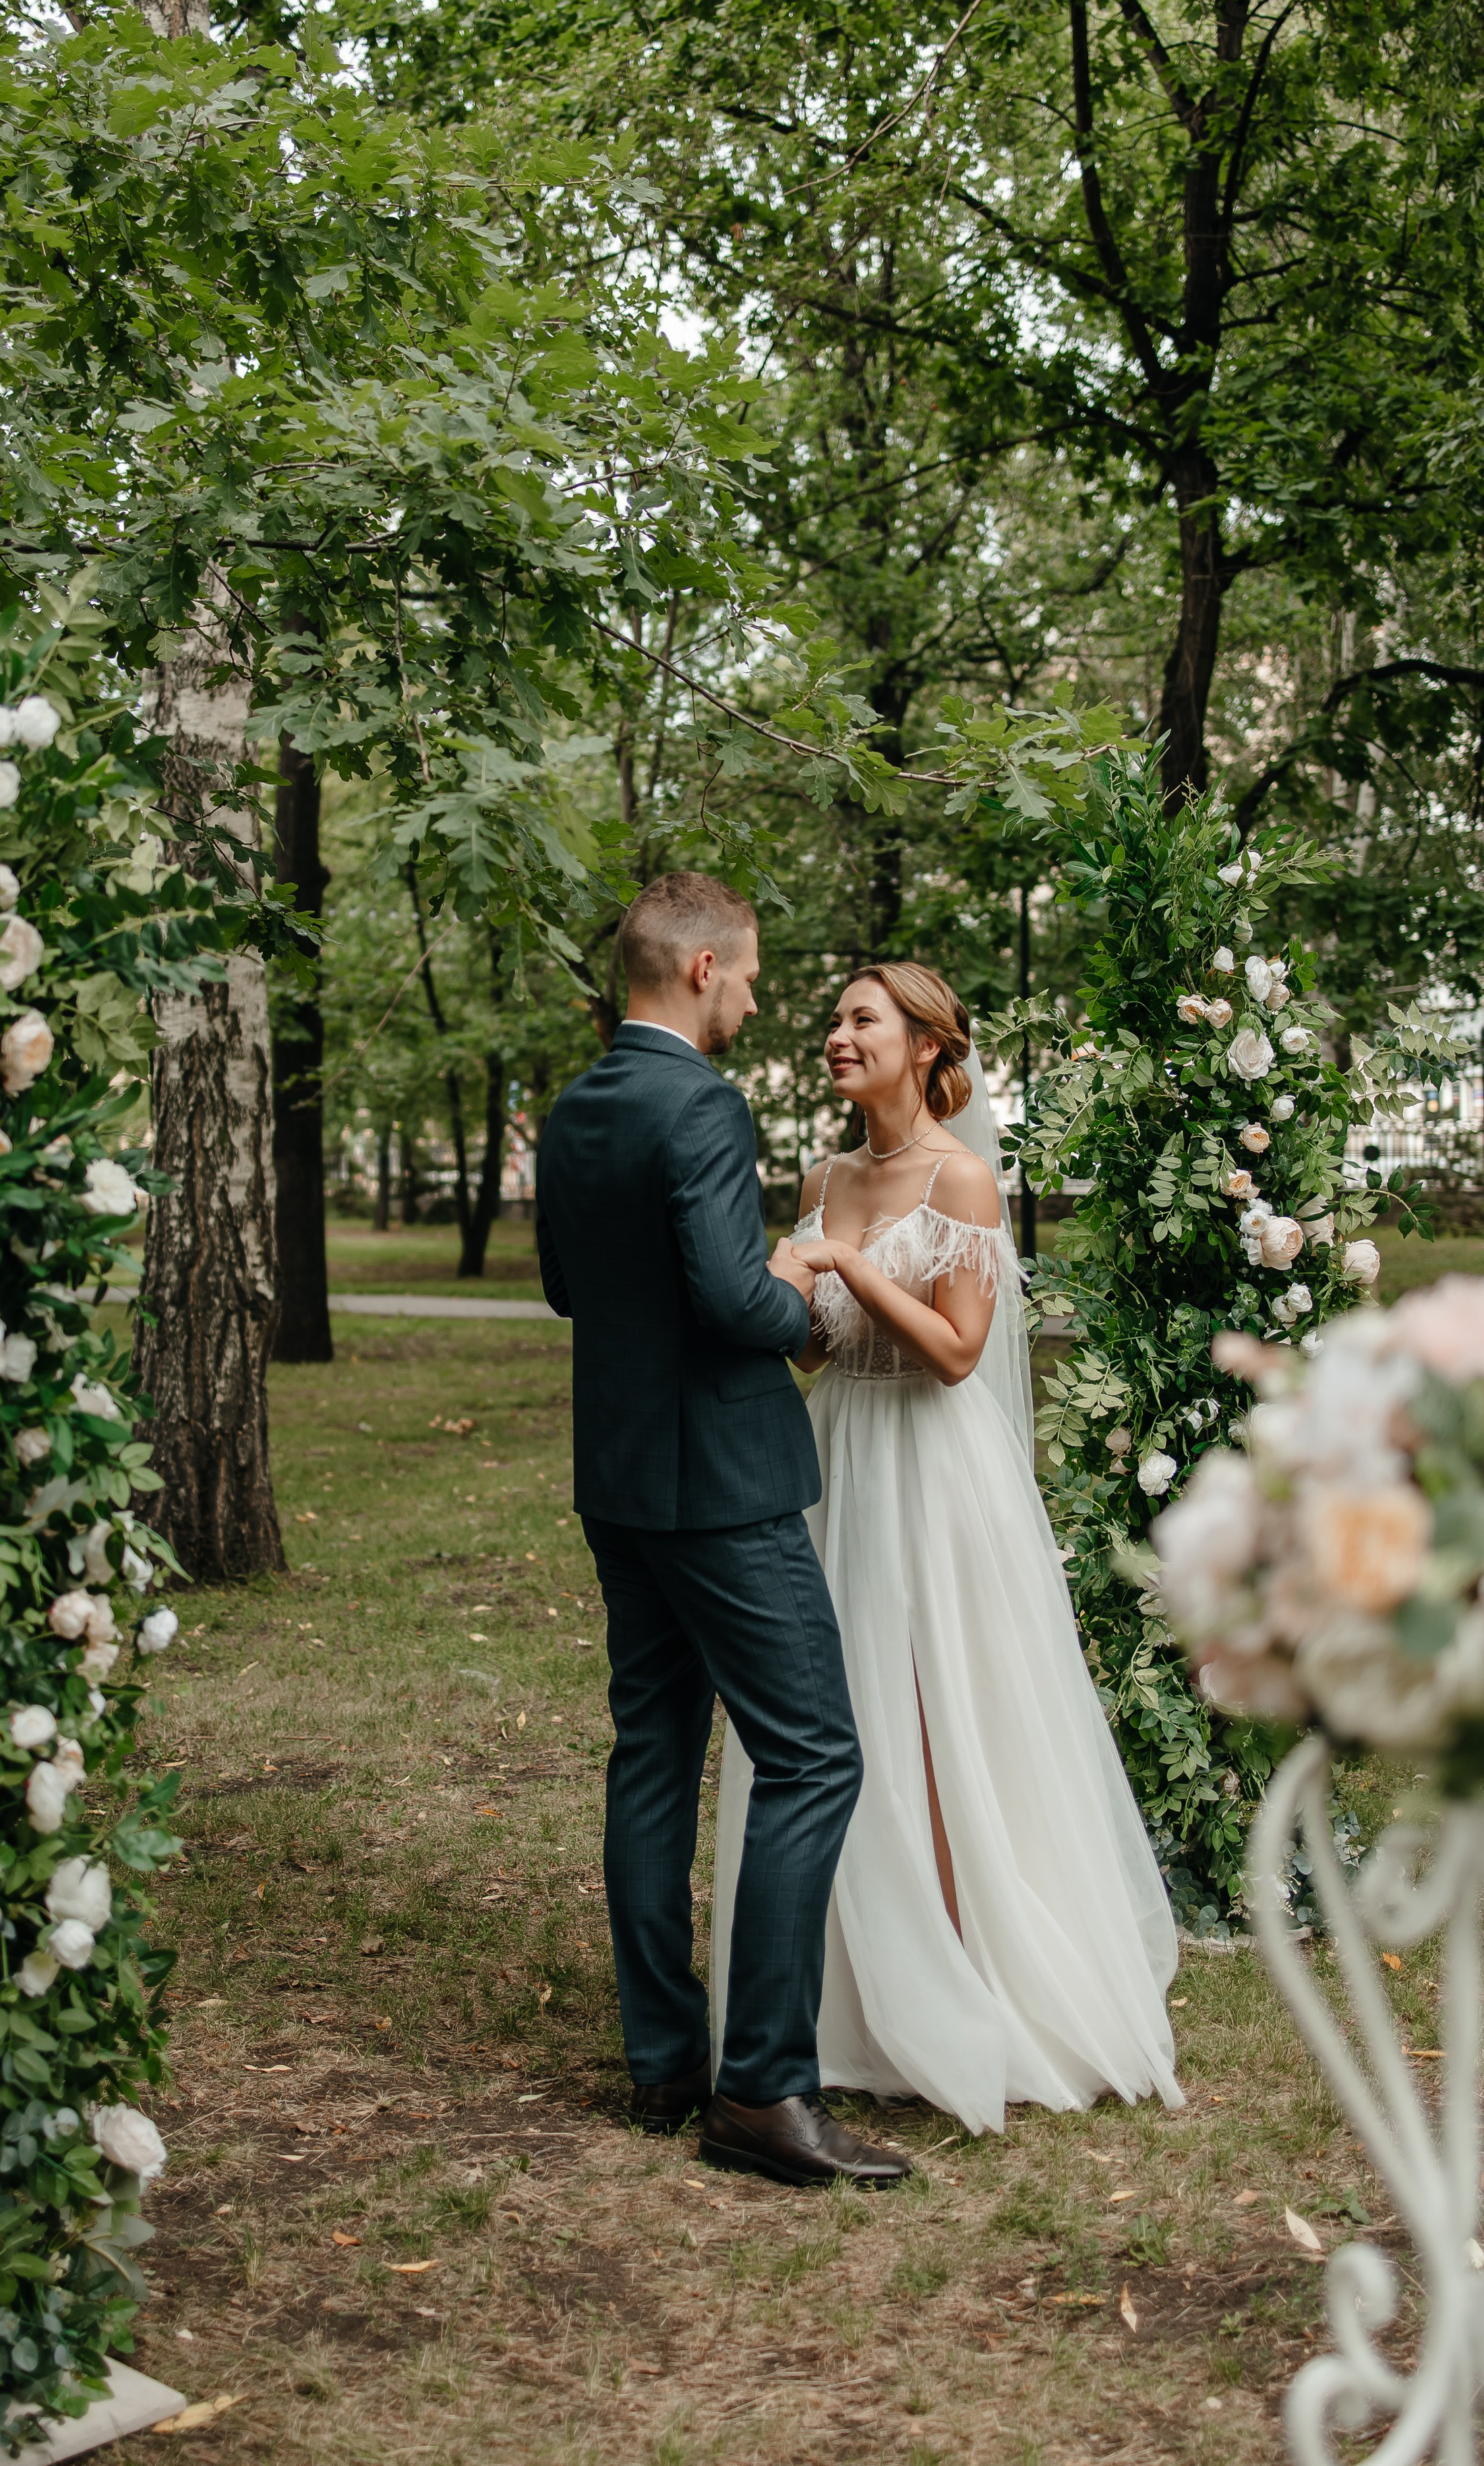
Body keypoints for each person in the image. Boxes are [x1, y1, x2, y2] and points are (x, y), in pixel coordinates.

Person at [711, 962, 1184, 2130]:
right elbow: (817, 1351)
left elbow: (961, 1352)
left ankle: (970, 1972)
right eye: (832, 1018)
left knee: (941, 1714)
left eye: (860, 1020)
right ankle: (852, 1996)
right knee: (843, 1711)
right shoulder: (825, 1175)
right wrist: (782, 1288)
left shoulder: (964, 1178)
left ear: (926, 1045)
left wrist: (849, 1266)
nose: (835, 1035)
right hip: (839, 1463)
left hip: (936, 1468)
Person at [536, 873, 911, 2188]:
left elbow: (565, 1287)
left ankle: (661, 2064)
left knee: (650, 1753)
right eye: (747, 973)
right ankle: (759, 2089)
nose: (754, 995)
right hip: (724, 1490)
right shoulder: (698, 1102)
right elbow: (723, 1296)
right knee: (811, 1755)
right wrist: (797, 1293)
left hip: (619, 1484)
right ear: (698, 970)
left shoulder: (575, 1106)